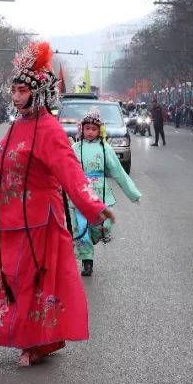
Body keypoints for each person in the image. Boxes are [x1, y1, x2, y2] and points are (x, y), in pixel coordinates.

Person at [0, 41, 114, 367]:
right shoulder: (18, 124)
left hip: (39, 221)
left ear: (41, 93)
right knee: (12, 278)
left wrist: (93, 206)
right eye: (14, 90)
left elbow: (69, 171)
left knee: (35, 279)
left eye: (22, 90)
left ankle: (36, 342)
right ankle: (29, 337)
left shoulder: (49, 130)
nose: (16, 96)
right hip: (10, 217)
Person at [69, 109, 141, 276]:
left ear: (99, 131)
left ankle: (99, 235)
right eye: (87, 128)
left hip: (100, 194)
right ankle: (87, 262)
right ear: (82, 129)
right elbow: (65, 170)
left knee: (101, 226)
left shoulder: (105, 148)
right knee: (81, 228)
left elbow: (118, 172)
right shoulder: (74, 147)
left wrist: (133, 194)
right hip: (80, 194)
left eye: (93, 129)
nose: (90, 132)